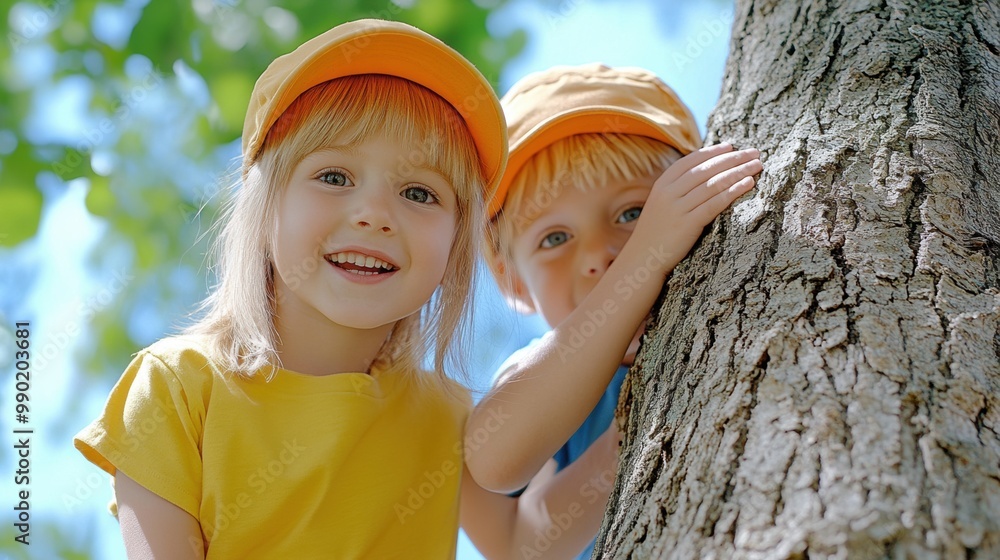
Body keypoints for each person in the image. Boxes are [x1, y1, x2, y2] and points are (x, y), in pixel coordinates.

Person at [73, 19, 509, 558]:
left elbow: (526, 541)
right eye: (334, 177)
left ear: (455, 248)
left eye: (419, 192)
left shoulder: (446, 414)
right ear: (265, 207)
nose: (374, 214)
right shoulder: (180, 389)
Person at [466, 63, 763, 558]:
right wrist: (618, 449)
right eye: (554, 238)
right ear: (513, 280)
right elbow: (504, 495)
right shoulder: (539, 372)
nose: (599, 253)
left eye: (634, 213)